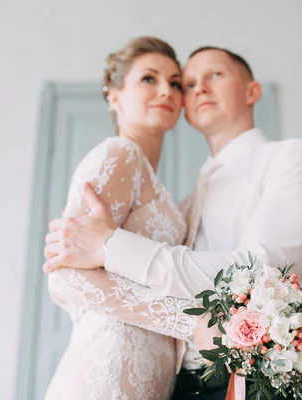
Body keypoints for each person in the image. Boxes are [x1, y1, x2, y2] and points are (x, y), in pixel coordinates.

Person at [44, 46, 302, 399]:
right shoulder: (187, 202)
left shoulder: (293, 158)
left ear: (252, 91)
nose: (197, 88)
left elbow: (261, 270)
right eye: (190, 82)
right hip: (176, 385)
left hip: (256, 379)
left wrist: (109, 246)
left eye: (214, 74)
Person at [43, 36, 197, 400]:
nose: (166, 90)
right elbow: (64, 279)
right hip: (107, 370)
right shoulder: (120, 153)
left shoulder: (153, 180)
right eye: (149, 79)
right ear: (114, 96)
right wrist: (186, 320)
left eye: (175, 83)